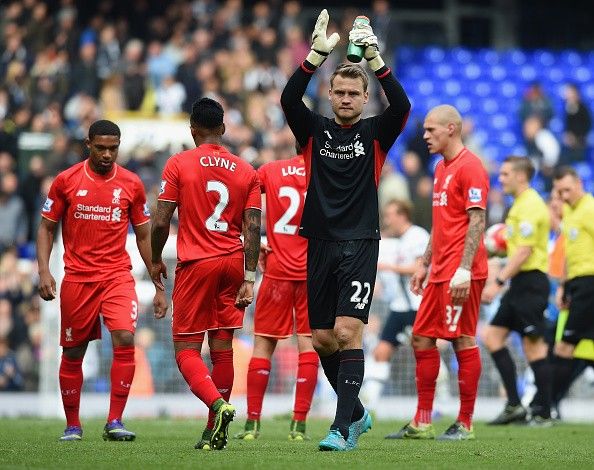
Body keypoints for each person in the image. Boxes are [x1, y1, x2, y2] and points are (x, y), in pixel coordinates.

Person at [280, 10, 411, 451]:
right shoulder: (315, 129)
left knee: (347, 332)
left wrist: (374, 59)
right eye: (340, 92)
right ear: (330, 94)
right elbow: (288, 99)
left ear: (365, 97)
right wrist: (316, 56)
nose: (347, 98)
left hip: (359, 243)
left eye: (355, 92)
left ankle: (340, 429)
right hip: (317, 242)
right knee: (320, 340)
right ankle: (356, 413)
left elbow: (403, 105)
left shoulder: (376, 132)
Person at [37, 119, 163, 441]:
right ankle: (73, 425)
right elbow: (47, 227)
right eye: (102, 147)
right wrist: (44, 270)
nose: (108, 154)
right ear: (88, 144)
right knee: (74, 352)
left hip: (117, 276)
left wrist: (157, 281)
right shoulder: (66, 181)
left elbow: (144, 235)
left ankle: (115, 421)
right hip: (78, 279)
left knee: (124, 338)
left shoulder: (132, 184)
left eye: (113, 148)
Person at [150, 97, 261, 451]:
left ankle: (217, 405)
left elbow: (161, 220)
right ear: (224, 129)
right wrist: (249, 276)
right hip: (232, 262)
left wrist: (155, 259)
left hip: (197, 264)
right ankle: (214, 431)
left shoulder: (179, 163)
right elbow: (253, 229)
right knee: (222, 348)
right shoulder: (247, 170)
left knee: (185, 349)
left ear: (193, 130)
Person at [392, 104, 489, 441]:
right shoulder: (441, 168)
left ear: (451, 129)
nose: (425, 135)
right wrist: (424, 262)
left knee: (462, 337)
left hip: (463, 271)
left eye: (431, 130)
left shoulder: (471, 167)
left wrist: (464, 268)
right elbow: (440, 221)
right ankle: (422, 421)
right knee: (421, 336)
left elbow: (477, 219)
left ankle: (465, 422)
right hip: (440, 270)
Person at [234, 146, 319, 441]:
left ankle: (252, 424)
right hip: (313, 274)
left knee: (262, 347)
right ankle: (299, 425)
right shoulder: (328, 169)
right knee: (308, 346)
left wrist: (256, 241)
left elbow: (243, 195)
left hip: (277, 272)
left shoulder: (271, 171)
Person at [482, 156, 553, 426]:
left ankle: (544, 412)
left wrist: (498, 281)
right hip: (520, 284)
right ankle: (514, 405)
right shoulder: (518, 206)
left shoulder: (532, 204)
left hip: (532, 283)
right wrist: (497, 249)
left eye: (505, 174)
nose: (500, 179)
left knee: (533, 348)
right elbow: (515, 247)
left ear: (521, 176)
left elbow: (524, 251)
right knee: (492, 337)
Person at [360, 200, 429, 415]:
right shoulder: (398, 240)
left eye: (390, 214)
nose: (387, 219)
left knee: (425, 352)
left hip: (417, 305)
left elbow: (420, 267)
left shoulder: (417, 236)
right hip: (400, 307)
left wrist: (388, 267)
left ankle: (436, 402)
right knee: (381, 351)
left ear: (402, 215)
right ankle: (368, 405)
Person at [551, 166, 594, 414]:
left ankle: (548, 406)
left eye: (567, 189)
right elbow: (568, 251)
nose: (564, 196)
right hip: (576, 284)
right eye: (560, 191)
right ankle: (550, 404)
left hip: (590, 281)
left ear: (579, 184)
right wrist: (563, 286)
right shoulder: (569, 210)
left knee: (565, 346)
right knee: (583, 349)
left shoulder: (589, 208)